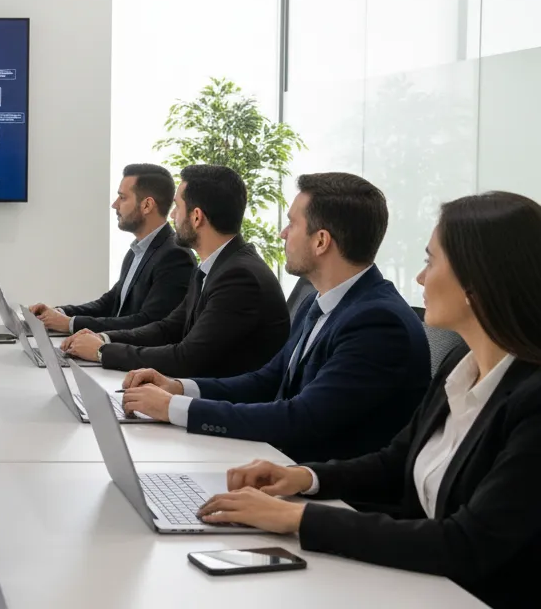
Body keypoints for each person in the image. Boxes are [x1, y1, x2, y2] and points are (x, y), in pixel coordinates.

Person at [197, 192, 541, 609]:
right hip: (414, 585)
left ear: (477, 281)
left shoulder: (531, 400)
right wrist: (304, 479)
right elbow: (396, 462)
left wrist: (297, 518)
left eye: (431, 262)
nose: (418, 278)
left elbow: (466, 543)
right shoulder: (459, 364)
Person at [119, 172, 430, 463]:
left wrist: (174, 409)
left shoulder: (377, 323)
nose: (282, 233)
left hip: (325, 492)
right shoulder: (318, 303)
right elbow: (267, 380)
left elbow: (300, 417)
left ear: (321, 241)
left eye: (292, 224)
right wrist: (178, 388)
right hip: (278, 465)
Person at [61, 164, 288, 377]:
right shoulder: (214, 267)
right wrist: (103, 338)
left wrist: (102, 351)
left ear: (196, 217)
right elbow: (167, 328)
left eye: (177, 207)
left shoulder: (239, 277)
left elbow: (186, 357)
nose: (172, 216)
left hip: (221, 407)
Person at [29, 163, 194, 334]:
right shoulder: (136, 251)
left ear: (147, 205)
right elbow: (110, 303)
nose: (115, 205)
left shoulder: (175, 256)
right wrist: (59, 313)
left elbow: (150, 323)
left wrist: (70, 324)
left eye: (122, 198)